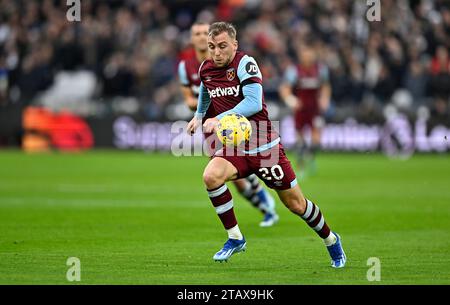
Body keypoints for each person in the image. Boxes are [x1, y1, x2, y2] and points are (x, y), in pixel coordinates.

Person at [186, 22, 346, 268]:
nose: (216, 52)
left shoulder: (245, 63)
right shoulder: (206, 68)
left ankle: (331, 239)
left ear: (234, 45)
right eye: (211, 47)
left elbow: (254, 103)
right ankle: (235, 238)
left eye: (221, 46)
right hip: (236, 146)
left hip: (263, 145)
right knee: (211, 176)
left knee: (296, 204)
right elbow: (206, 92)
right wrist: (199, 116)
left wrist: (217, 119)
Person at [178, 22, 279, 227]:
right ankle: (264, 207)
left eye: (203, 33)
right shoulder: (188, 67)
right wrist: (198, 114)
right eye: (196, 33)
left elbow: (250, 100)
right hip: (210, 124)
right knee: (232, 178)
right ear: (192, 39)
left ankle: (261, 192)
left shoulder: (231, 61)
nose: (200, 37)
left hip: (231, 120)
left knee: (238, 165)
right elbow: (190, 97)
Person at [278, 42, 331, 178]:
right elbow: (285, 88)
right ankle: (300, 165)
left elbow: (325, 86)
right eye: (305, 55)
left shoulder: (320, 69)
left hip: (315, 109)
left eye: (309, 54)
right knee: (300, 138)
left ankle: (311, 157)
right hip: (300, 108)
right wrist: (291, 100)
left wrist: (325, 99)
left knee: (316, 139)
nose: (307, 57)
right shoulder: (294, 70)